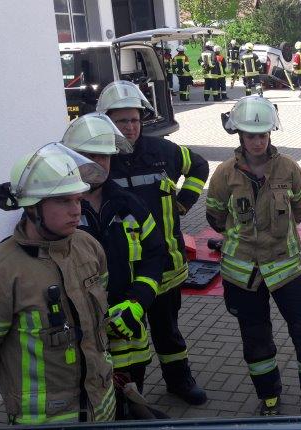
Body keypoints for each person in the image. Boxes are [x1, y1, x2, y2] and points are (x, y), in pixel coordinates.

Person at [206, 96, 301, 416]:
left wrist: (274, 235)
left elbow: (299, 207)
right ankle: (269, 396)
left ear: (271, 133)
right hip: (242, 273)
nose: (258, 141)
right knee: (255, 335)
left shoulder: (289, 168)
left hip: (285, 267)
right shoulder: (224, 174)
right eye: (251, 135)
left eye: (263, 134)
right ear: (239, 135)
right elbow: (215, 215)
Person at [96, 80, 209, 405]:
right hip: (122, 272)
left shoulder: (163, 151)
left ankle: (179, 380)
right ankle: (131, 395)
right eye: (122, 121)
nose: (130, 127)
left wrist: (185, 201)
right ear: (107, 122)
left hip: (165, 265)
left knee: (167, 329)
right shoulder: (100, 159)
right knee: (127, 337)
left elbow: (199, 166)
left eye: (134, 119)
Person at [0, 143, 116, 423]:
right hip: (44, 420)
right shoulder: (6, 268)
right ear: (32, 207)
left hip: (102, 408)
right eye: (63, 201)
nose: (76, 210)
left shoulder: (89, 247)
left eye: (78, 199)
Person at [60, 113, 166, 419]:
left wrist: (138, 302)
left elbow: (155, 256)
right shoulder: (60, 213)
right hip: (83, 337)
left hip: (128, 329)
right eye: (91, 156)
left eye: (105, 156)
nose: (100, 163)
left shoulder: (129, 205)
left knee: (131, 394)